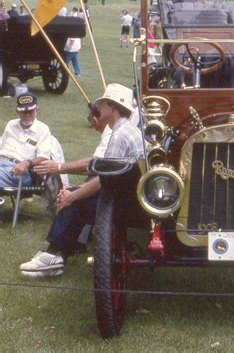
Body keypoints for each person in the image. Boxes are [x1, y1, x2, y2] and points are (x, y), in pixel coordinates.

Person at [20, 84, 144, 278]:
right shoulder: (125, 129)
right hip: (130, 193)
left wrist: (72, 196)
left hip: (124, 201)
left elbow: (104, 180)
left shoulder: (119, 136)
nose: (99, 108)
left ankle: (54, 255)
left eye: (102, 104)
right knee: (75, 196)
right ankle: (60, 252)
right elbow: (98, 166)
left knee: (74, 202)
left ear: (112, 108)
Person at [0, 92, 52, 190]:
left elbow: (44, 157)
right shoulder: (11, 124)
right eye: (24, 112)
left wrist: (26, 163)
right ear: (18, 111)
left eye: (31, 111)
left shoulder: (43, 129)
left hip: (21, 171)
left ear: (37, 110)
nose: (27, 115)